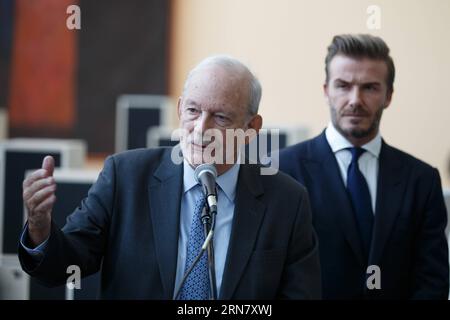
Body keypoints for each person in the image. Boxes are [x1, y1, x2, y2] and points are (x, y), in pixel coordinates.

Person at [20, 55, 321, 299]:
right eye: (193, 111)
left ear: (251, 129)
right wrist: (39, 228)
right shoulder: (125, 176)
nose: (201, 129)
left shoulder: (287, 201)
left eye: (221, 117)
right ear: (179, 110)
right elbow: (64, 266)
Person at [279, 34, 449, 299]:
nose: (355, 100)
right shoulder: (283, 169)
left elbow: (432, 282)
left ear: (388, 95)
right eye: (343, 86)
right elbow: (273, 274)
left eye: (369, 87)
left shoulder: (422, 180)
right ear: (326, 91)